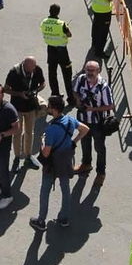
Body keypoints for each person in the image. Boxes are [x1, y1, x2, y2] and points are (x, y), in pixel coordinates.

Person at [30, 94, 87, 232]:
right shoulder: (70, 120)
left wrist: (42, 141)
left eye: (49, 107)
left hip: (52, 164)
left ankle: (41, 221)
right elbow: (85, 129)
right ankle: (64, 218)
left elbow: (45, 153)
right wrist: (73, 142)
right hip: (65, 160)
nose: (48, 109)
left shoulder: (50, 130)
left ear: (54, 110)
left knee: (45, 191)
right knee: (65, 189)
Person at [72, 60, 115, 186]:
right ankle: (86, 164)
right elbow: (75, 91)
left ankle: (101, 173)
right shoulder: (81, 79)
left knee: (99, 148)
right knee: (85, 143)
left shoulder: (103, 87)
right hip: (83, 119)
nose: (89, 73)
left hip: (97, 122)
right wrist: (78, 99)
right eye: (87, 70)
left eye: (92, 70)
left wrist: (93, 109)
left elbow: (110, 106)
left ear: (98, 71)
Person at [40, 4, 74, 97]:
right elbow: (69, 35)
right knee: (67, 75)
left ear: (49, 11)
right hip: (62, 51)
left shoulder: (44, 22)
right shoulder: (61, 24)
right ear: (58, 12)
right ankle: (70, 98)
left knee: (52, 74)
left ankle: (55, 94)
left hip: (50, 50)